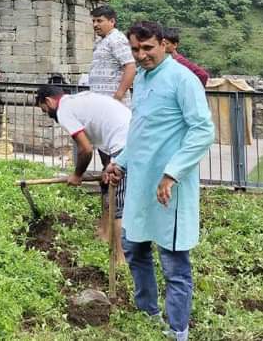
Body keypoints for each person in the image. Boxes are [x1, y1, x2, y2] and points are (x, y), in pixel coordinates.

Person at [103, 21, 214, 341]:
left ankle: (178, 330)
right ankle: (148, 313)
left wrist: (172, 172)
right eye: (135, 49)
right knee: (134, 247)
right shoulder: (143, 78)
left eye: (147, 48)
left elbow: (203, 131)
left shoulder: (183, 79)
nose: (141, 55)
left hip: (169, 186)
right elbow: (141, 130)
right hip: (140, 181)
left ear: (165, 44)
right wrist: (120, 162)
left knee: (173, 260)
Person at [35, 85, 130, 252]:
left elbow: (85, 149)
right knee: (107, 185)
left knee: (117, 199)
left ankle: (121, 258)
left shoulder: (64, 110)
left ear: (49, 101)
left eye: (45, 111)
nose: (48, 115)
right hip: (126, 135)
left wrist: (77, 175)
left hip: (124, 142)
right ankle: (104, 233)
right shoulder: (77, 101)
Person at [88, 5, 137, 102]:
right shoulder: (101, 40)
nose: (95, 24)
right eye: (93, 21)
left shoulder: (116, 39)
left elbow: (130, 67)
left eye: (99, 21)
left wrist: (118, 95)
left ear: (112, 21)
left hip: (114, 101)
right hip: (101, 101)